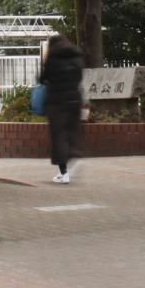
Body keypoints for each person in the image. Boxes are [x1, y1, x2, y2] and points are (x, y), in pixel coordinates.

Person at [38, 35, 85, 184]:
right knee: (71, 132)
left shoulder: (52, 58)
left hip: (56, 102)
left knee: (59, 136)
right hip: (74, 100)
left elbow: (42, 78)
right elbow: (79, 77)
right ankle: (74, 156)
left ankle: (64, 173)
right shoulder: (76, 56)